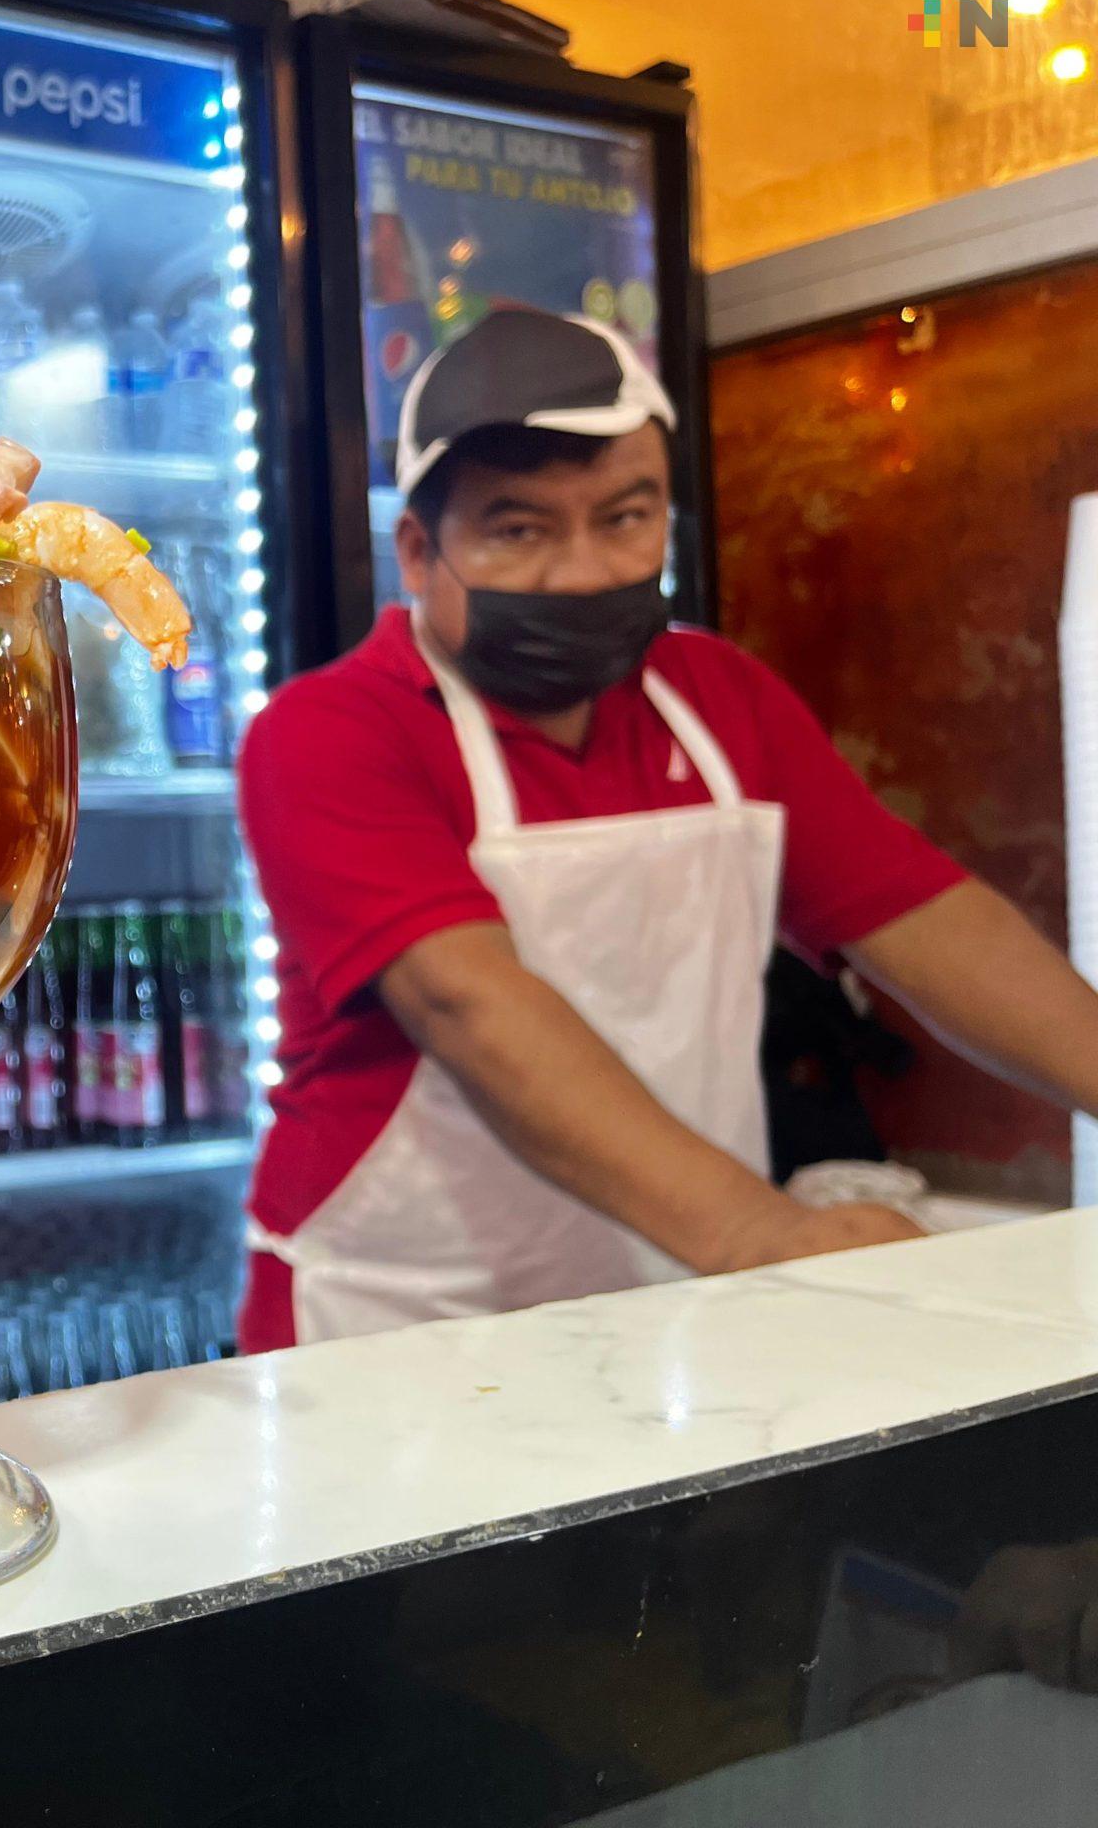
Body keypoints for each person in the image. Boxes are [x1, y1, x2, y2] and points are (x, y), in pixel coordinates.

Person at [240, 305, 1098, 1350]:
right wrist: (762, 1234)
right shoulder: (328, 733)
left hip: (668, 1298)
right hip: (397, 1325)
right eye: (519, 529)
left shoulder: (720, 699)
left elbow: (929, 923)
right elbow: (467, 1003)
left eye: (624, 517)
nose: (583, 572)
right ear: (419, 552)